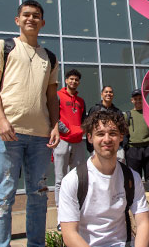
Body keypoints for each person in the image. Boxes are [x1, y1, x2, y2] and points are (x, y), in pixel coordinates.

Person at [0, 0, 60, 246]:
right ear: (17, 20)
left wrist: (55, 125)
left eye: (36, 15)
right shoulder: (3, 46)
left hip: (40, 137)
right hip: (7, 134)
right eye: (26, 15)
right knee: (3, 197)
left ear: (42, 22)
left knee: (38, 196)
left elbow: (51, 97)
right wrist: (1, 120)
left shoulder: (49, 57)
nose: (31, 19)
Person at [58, 110, 149, 247]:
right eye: (100, 134)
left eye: (112, 133)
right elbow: (69, 234)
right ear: (90, 138)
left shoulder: (132, 177)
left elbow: (143, 222)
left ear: (121, 137)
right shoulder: (73, 180)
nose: (107, 139)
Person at [54, 69, 86, 209]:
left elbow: (84, 119)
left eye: (76, 80)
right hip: (62, 140)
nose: (74, 81)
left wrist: (81, 130)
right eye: (71, 79)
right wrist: (64, 129)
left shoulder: (80, 101)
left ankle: (75, 207)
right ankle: (61, 210)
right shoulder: (58, 96)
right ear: (66, 80)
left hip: (78, 142)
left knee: (77, 177)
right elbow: (52, 115)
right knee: (60, 178)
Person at [124, 89, 149, 182]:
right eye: (136, 99)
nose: (138, 101)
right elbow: (123, 132)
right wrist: (126, 149)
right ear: (132, 100)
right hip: (133, 150)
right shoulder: (127, 115)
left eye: (140, 98)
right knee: (135, 179)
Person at [86, 86, 123, 155]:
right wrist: (90, 147)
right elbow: (89, 128)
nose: (108, 93)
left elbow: (122, 129)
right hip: (98, 147)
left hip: (116, 148)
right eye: (106, 92)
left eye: (110, 92)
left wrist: (122, 145)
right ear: (102, 94)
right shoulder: (95, 110)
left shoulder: (118, 112)